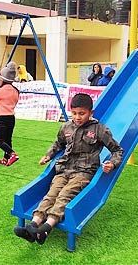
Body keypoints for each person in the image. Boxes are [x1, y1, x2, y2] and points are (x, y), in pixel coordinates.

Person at [14, 93, 123, 245]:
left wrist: (112, 163)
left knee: (64, 195)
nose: (77, 117)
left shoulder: (100, 130)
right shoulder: (66, 126)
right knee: (51, 194)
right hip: (64, 169)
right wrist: (48, 155)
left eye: (82, 114)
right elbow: (58, 143)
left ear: (91, 113)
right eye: (74, 113)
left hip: (83, 172)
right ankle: (33, 225)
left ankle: (46, 227)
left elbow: (117, 150)